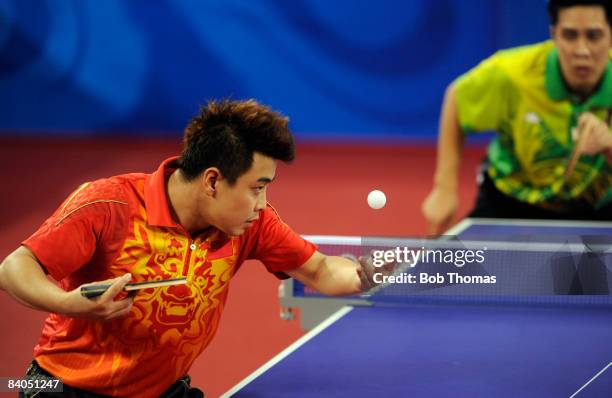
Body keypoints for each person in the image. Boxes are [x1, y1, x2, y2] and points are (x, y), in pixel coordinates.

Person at [0, 99, 385, 397]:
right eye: (257, 187)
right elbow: (15, 268)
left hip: (163, 392)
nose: (262, 203)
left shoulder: (251, 224)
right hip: (65, 389)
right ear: (213, 181)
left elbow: (321, 271)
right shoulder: (109, 204)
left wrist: (381, 268)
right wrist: (69, 304)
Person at [422, 0, 612, 235]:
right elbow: (457, 100)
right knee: (454, 268)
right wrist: (445, 188)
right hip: (511, 200)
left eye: (594, 36)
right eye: (570, 35)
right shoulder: (513, 73)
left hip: (596, 206)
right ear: (555, 35)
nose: (582, 49)